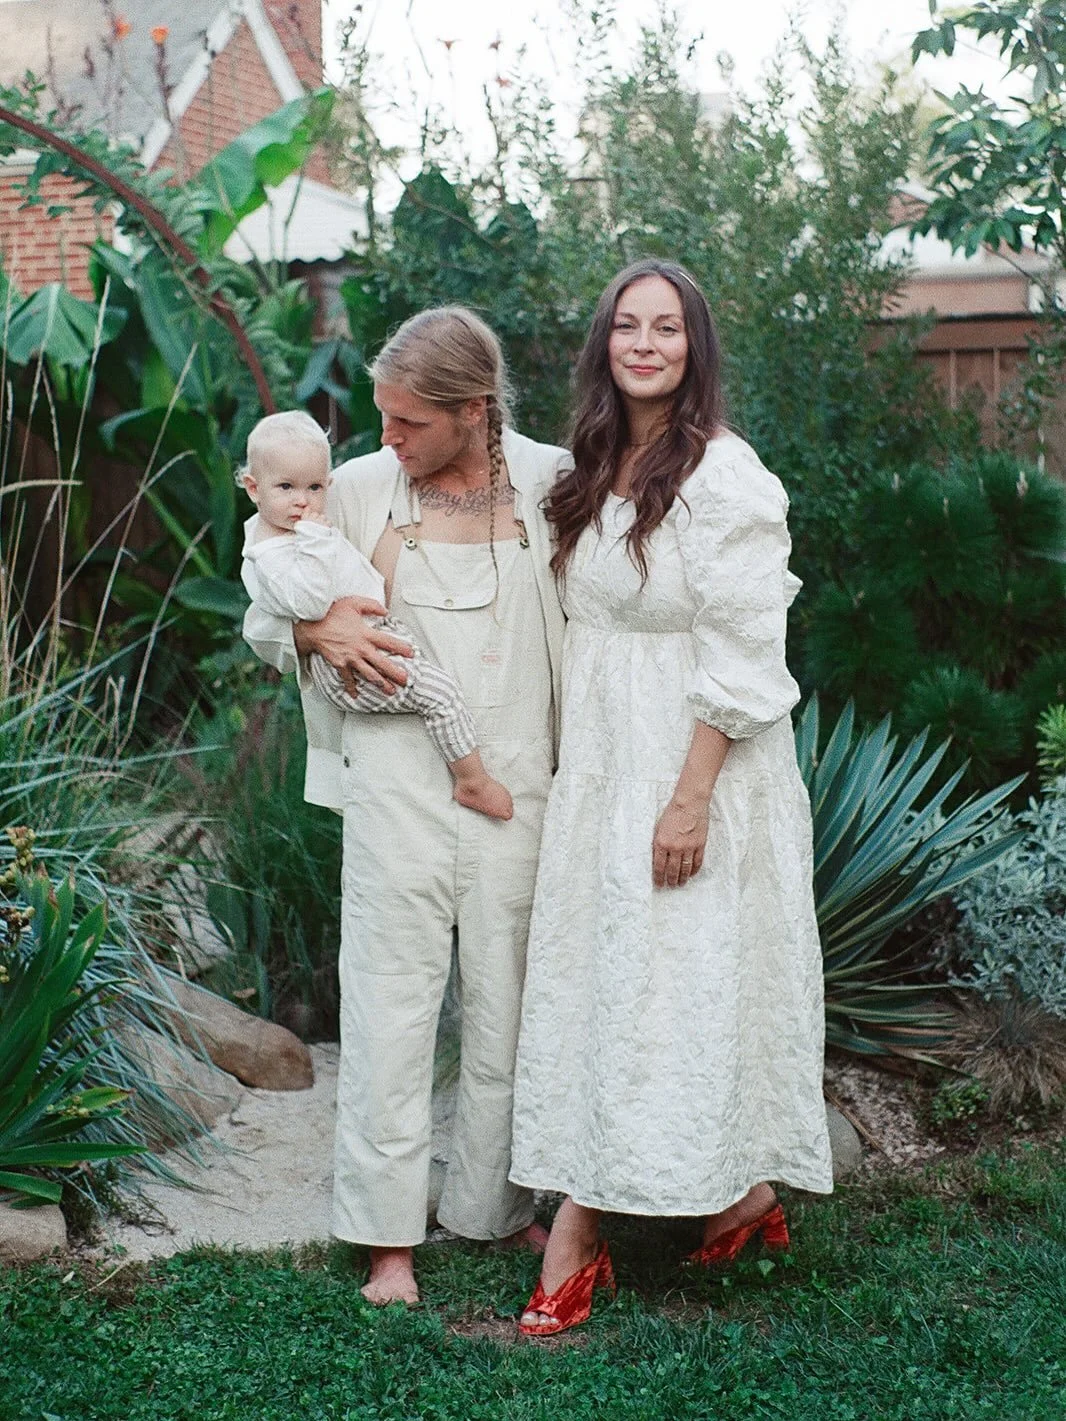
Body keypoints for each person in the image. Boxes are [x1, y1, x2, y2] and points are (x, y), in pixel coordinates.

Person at [509, 259, 834, 1336]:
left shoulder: (725, 476)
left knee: (667, 987)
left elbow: (744, 648)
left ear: (696, 347)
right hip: (605, 765)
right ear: (603, 340)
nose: (644, 343)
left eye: (667, 329)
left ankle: (579, 1229)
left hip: (696, 768)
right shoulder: (591, 462)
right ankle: (740, 1201)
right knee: (618, 983)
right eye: (626, 326)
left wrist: (689, 797)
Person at [242, 308, 568, 1307]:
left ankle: (491, 1207)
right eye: (381, 418)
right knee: (388, 1002)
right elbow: (264, 604)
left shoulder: (552, 482)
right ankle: (387, 1236)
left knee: (506, 1006)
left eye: (408, 421)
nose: (386, 438)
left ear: (474, 410)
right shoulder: (355, 488)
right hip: (393, 780)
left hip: (518, 779)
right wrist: (313, 636)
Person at [239, 409, 513, 821]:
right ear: (253, 489)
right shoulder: (274, 551)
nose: (303, 500)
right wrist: (317, 541)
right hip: (350, 665)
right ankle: (473, 780)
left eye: (314, 486)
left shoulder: (290, 533)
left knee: (435, 690)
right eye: (286, 487)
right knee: (440, 697)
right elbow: (307, 606)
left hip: (374, 640)